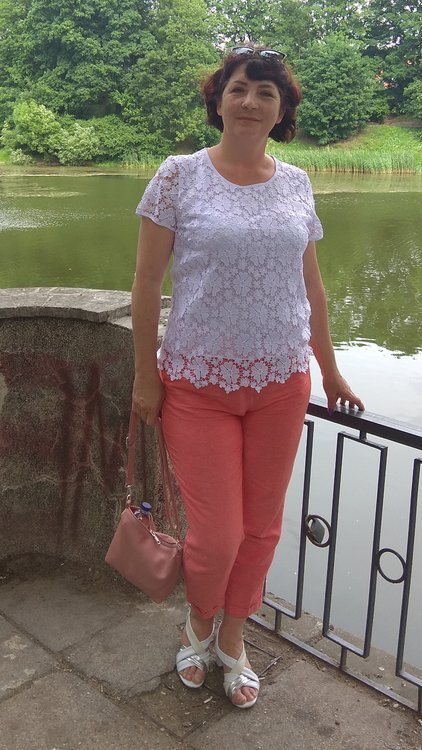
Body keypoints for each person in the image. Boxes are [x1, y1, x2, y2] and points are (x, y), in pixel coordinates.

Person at [131, 46, 364, 709]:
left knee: (261, 528)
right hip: (197, 383)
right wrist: (145, 376)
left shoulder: (296, 183)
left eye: (266, 92)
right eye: (239, 88)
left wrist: (331, 371)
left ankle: (233, 638)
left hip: (281, 383)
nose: (251, 101)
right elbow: (146, 282)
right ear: (219, 100)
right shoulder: (178, 176)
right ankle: (198, 623)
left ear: (281, 109)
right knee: (218, 534)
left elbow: (311, 288)